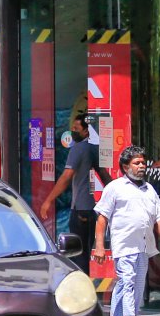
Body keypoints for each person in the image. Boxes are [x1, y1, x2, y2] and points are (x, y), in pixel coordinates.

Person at [93, 146, 160, 316]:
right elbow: (102, 218)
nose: (142, 166)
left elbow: (159, 218)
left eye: (143, 162)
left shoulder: (149, 190)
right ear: (125, 166)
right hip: (123, 246)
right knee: (127, 280)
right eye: (136, 163)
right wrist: (99, 246)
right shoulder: (114, 188)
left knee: (136, 284)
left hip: (144, 246)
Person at [40, 113, 111, 271]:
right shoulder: (93, 149)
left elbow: (66, 177)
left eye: (76, 128)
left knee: (78, 254)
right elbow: (105, 176)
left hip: (79, 208)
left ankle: (81, 288)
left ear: (86, 132)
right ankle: (85, 283)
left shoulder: (77, 149)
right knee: (85, 251)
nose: (72, 131)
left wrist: (48, 200)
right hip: (90, 209)